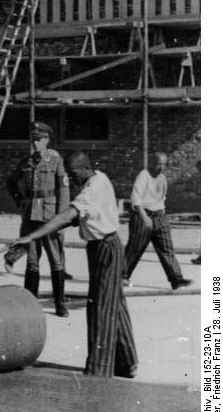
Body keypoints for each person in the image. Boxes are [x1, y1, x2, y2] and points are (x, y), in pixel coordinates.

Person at [8, 151, 138, 378]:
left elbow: (66, 215)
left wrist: (31, 237)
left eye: (72, 172)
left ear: (84, 168)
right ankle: (127, 363)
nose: (70, 177)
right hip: (105, 245)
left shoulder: (91, 189)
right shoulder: (101, 177)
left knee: (100, 307)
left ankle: (99, 370)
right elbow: (81, 216)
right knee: (114, 302)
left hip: (105, 248)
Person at [4, 122, 70, 317]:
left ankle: (60, 304)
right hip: (30, 215)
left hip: (50, 216)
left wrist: (62, 218)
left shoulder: (55, 159)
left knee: (55, 260)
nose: (34, 144)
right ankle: (30, 305)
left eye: (38, 140)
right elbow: (11, 182)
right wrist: (20, 200)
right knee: (32, 261)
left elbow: (63, 189)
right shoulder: (27, 162)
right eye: (33, 140)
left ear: (47, 140)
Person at [123, 152, 193, 290]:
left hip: (159, 216)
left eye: (164, 164)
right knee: (135, 249)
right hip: (143, 216)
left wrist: (163, 217)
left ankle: (176, 279)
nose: (161, 167)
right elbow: (136, 199)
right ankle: (122, 276)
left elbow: (162, 199)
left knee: (167, 249)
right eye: (158, 164)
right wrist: (144, 218)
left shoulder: (162, 178)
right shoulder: (144, 176)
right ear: (152, 163)